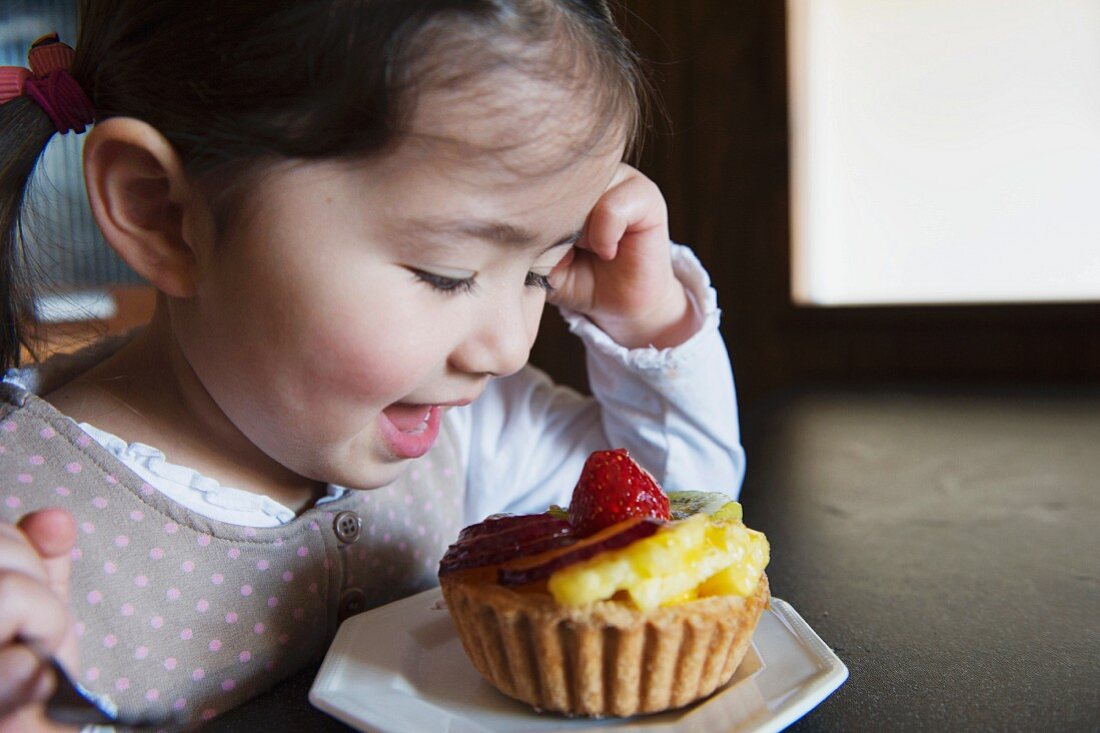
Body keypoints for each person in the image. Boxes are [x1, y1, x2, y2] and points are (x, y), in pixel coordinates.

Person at [0, 1, 745, 729]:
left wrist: (644, 321)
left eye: (540, 273)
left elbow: (677, 510)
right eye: (446, 273)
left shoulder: (463, 435)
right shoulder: (24, 534)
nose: (508, 348)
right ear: (161, 212)